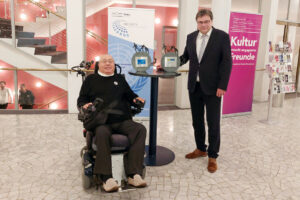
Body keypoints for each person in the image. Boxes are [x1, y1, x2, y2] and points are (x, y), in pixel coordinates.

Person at [77, 54, 147, 192]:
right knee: (102, 133)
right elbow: (81, 99)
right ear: (99, 65)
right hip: (101, 121)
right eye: (104, 61)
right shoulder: (91, 79)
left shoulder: (119, 79)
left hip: (122, 120)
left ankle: (133, 174)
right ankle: (106, 178)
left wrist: (135, 99)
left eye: (111, 61)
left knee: (140, 129)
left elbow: (129, 94)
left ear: (114, 65)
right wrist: (84, 105)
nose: (108, 64)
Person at [180, 9, 232, 173]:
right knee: (197, 121)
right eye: (201, 22)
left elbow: (226, 62)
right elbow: (185, 57)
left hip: (213, 88)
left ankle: (212, 156)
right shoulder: (191, 37)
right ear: (197, 22)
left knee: (213, 122)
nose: (203, 25)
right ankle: (201, 148)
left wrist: (222, 86)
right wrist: (169, 63)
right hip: (194, 87)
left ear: (211, 21)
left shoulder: (222, 37)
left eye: (206, 21)